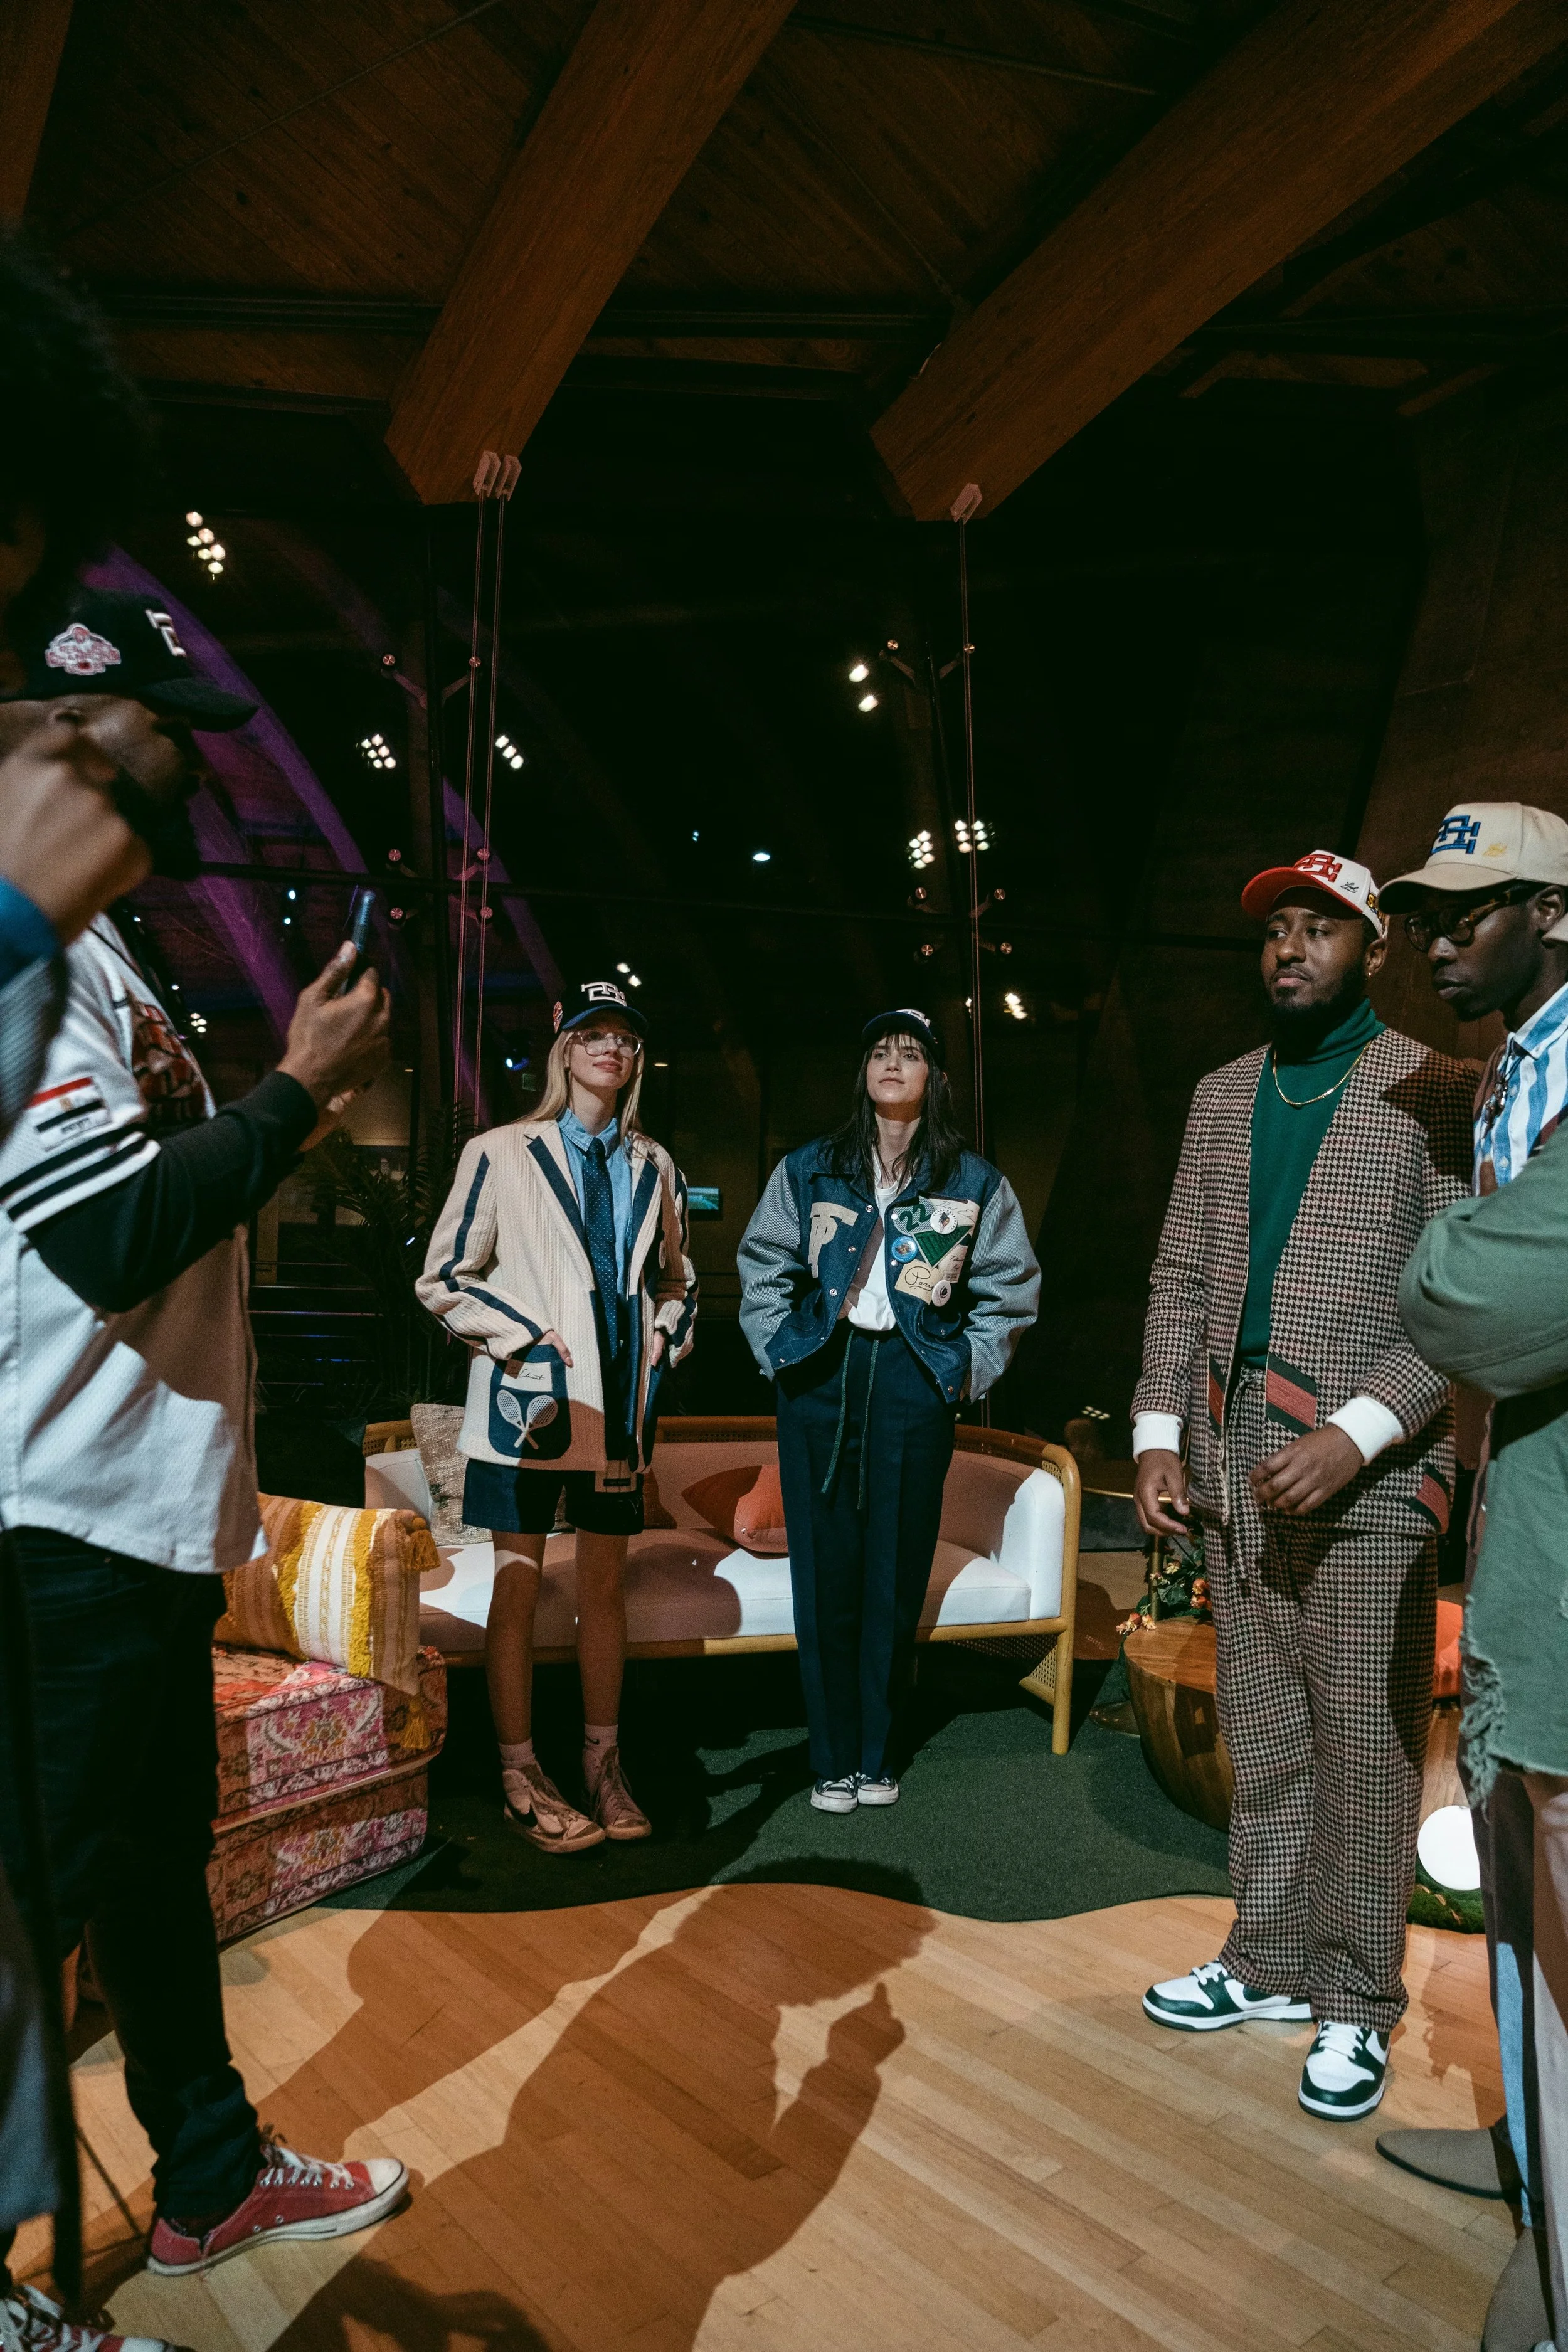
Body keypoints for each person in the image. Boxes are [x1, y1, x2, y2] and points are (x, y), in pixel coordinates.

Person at [0, 590, 412, 2304]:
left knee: (147, 1867)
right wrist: (298, 1093)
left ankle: (212, 2175)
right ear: (59, 739)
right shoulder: (29, 952)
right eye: (153, 739)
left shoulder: (94, 950)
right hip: (58, 1520)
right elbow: (105, 1234)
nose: (184, 778)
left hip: (135, 1516)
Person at [1132, 851, 1473, 2121]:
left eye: (1320, 928)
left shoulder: (1439, 1090)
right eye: (1276, 928)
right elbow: (1179, 1273)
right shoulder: (1223, 1093)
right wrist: (1156, 1431)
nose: (1290, 948)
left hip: (1371, 1477)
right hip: (1233, 1462)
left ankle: (1356, 1999)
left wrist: (1360, 1430)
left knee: (1364, 1746)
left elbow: (1464, 1298)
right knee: (1266, 1727)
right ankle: (1269, 1959)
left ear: (1372, 949)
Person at [1379, 800, 1568, 2352]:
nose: (1437, 940)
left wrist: (1451, 1252)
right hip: (1516, 1510)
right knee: (1510, 1868)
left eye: (1472, 910)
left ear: (1553, 914)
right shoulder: (1515, 1068)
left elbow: (1470, 1301)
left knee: (1559, 1881)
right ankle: (1528, 2162)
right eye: (1428, 914)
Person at [418, 978, 697, 1855]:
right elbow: (444, 1276)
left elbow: (680, 1280)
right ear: (565, 1048)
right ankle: (519, 1770)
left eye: (624, 1037)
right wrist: (525, 1336)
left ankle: (602, 1765)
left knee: (605, 1588)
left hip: (617, 1414)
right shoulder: (499, 1152)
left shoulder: (654, 1163)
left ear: (636, 1059)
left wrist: (665, 1334)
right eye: (593, 1032)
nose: (610, 1047)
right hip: (529, 1408)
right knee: (518, 1586)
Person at [736, 1008, 1039, 1813]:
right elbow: (762, 1262)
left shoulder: (972, 1181)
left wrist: (960, 1372)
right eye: (879, 1052)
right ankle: (830, 1758)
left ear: (934, 1076)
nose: (892, 1064)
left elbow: (1010, 1291)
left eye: (910, 1053)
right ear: (863, 1073)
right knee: (824, 1575)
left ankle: (876, 1754)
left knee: (894, 1575)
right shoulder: (811, 1168)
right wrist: (781, 1353)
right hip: (822, 1376)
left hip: (913, 1380)